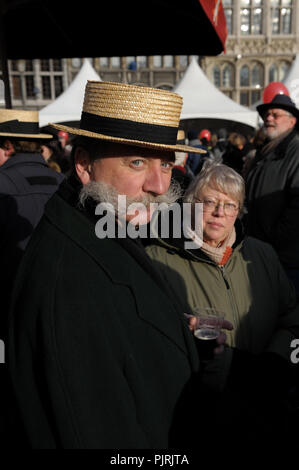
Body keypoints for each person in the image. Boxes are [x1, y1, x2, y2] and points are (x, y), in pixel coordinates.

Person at [7, 81, 226, 450]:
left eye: (166, 163)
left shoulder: (103, 224)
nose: (159, 185)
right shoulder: (69, 280)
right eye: (137, 161)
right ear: (84, 166)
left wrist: (175, 331)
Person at [146, 161, 299, 437]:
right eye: (210, 202)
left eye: (230, 205)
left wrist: (276, 363)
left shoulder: (261, 255)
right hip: (199, 411)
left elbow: (292, 318)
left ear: (239, 211)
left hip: (265, 407)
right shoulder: (159, 259)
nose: (219, 213)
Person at [0, 108, 64, 447]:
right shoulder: (64, 184)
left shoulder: (2, 186)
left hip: (10, 319)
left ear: (7, 146)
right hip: (61, 315)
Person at [245, 94, 299, 296]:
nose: (269, 118)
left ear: (292, 121)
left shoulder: (295, 151)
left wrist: (274, 239)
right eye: (267, 114)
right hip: (262, 253)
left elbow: (296, 208)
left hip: (285, 259)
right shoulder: (266, 151)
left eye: (275, 115)